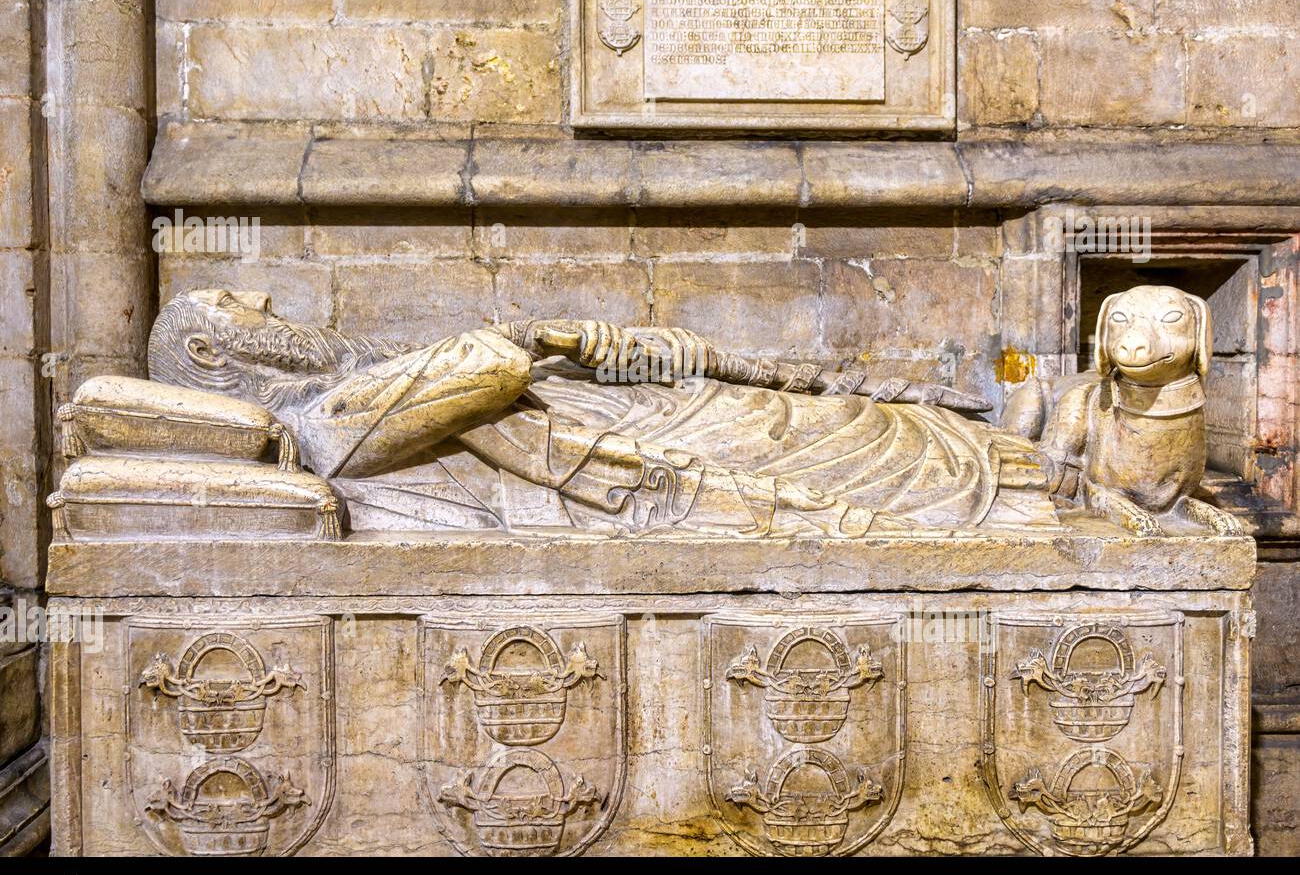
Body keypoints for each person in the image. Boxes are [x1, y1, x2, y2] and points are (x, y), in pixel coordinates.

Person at [146, 289, 1054, 537]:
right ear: (208, 357)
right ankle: (1014, 481)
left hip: (600, 425)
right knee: (812, 440)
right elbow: (484, 372)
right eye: (246, 315)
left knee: (783, 410)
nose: (273, 313)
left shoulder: (333, 382)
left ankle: (1022, 459)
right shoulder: (317, 418)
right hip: (598, 466)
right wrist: (525, 335)